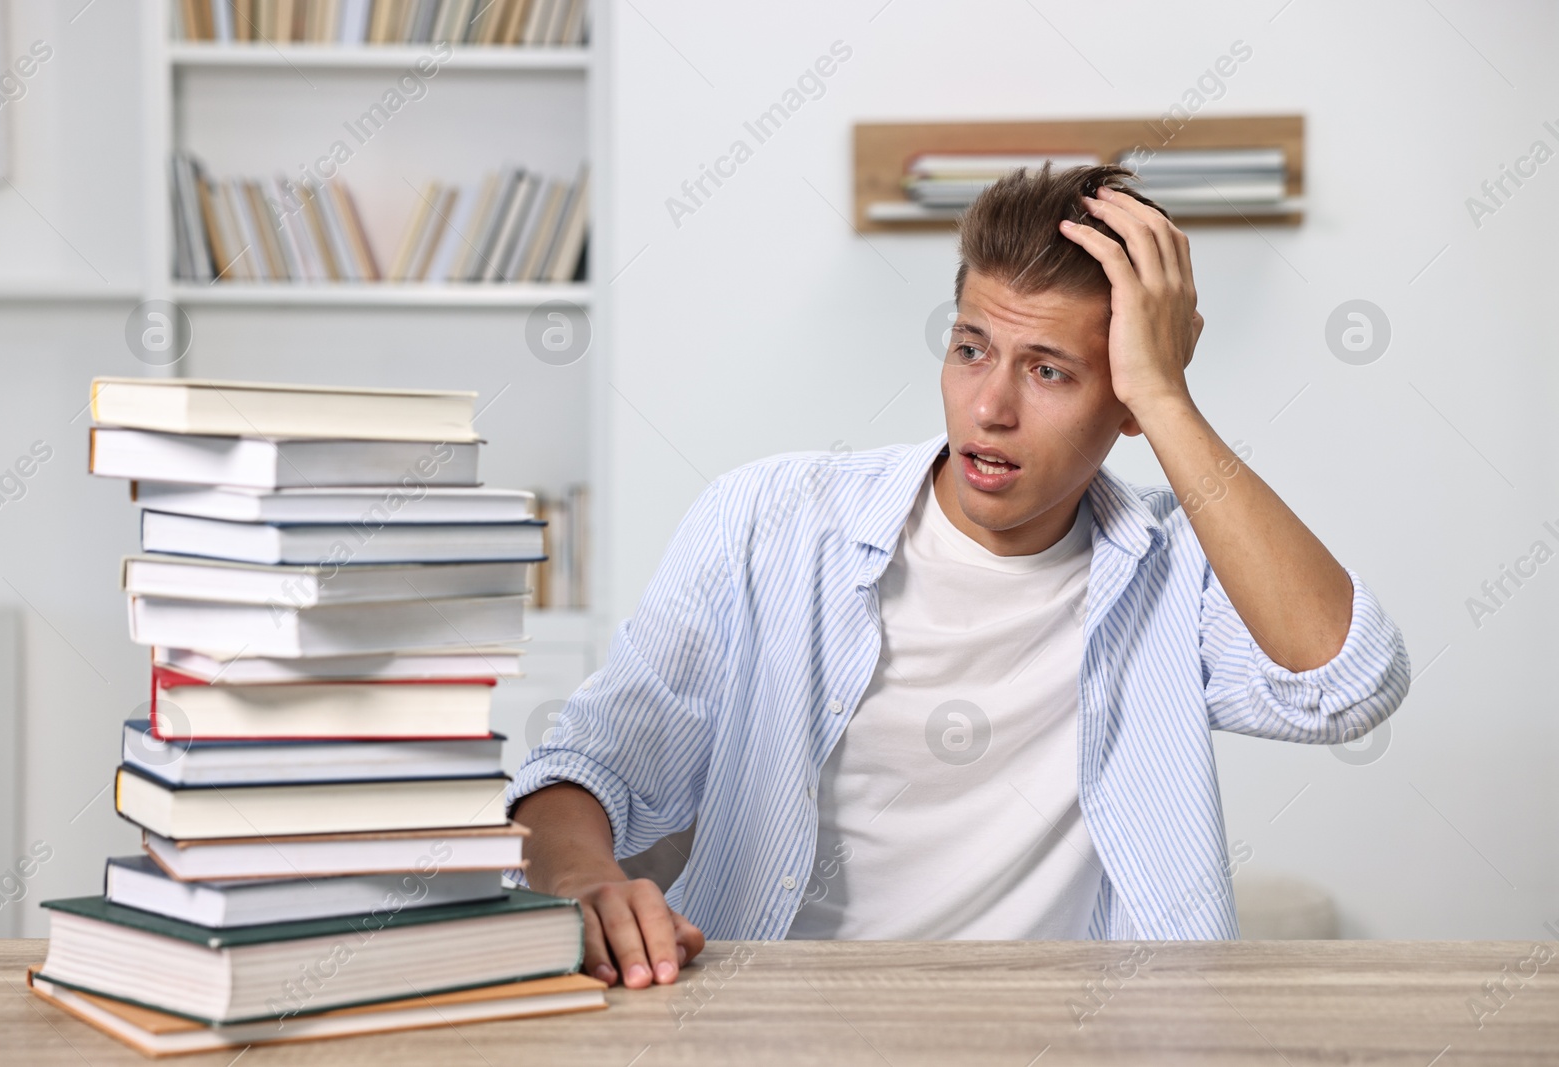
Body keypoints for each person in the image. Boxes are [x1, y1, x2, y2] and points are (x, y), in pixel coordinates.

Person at [507, 163, 1410, 989]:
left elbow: (1346, 683)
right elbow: (583, 768)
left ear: (1127, 403)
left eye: (1050, 371)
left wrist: (1169, 396)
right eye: (972, 348)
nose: (990, 407)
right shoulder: (770, 520)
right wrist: (587, 881)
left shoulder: (1171, 571)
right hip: (764, 1022)